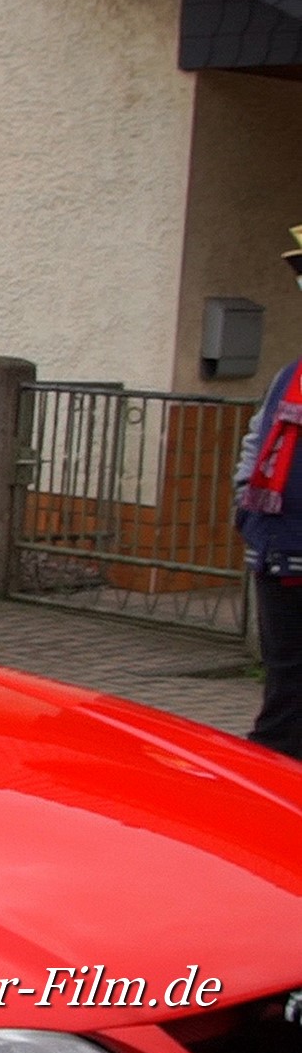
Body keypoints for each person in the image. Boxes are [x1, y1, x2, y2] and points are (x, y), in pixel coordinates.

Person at [233, 223, 302, 761]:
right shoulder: (290, 375)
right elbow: (259, 444)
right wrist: (246, 510)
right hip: (280, 555)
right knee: (286, 690)